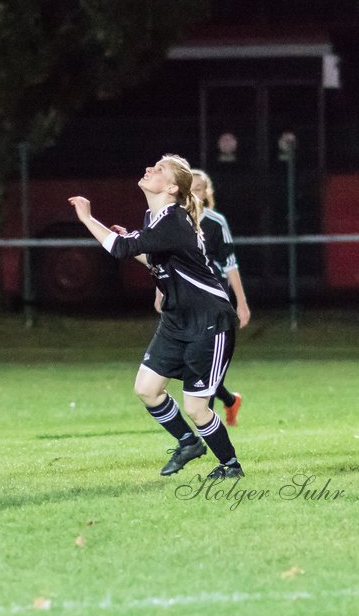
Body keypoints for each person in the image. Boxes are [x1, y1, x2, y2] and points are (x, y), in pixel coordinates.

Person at [69, 154, 245, 479]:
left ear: (172, 187)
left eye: (159, 169)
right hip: (177, 320)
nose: (149, 169)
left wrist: (87, 218)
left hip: (209, 322)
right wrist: (138, 249)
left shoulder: (173, 220)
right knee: (147, 388)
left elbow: (120, 249)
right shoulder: (155, 218)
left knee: (196, 407)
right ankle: (188, 442)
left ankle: (230, 466)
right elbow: (155, 260)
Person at [190, 169, 250, 426]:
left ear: (206, 194)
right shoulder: (175, 221)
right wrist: (160, 292)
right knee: (193, 363)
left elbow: (231, 264)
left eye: (200, 188)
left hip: (215, 300)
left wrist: (242, 303)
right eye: (190, 187)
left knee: (206, 363)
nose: (194, 192)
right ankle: (229, 400)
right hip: (187, 301)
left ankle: (206, 426)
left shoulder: (215, 222)